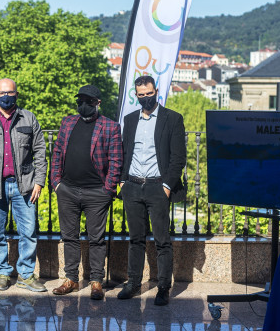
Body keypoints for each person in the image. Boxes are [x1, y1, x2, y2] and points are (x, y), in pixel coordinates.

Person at [0, 78, 47, 292]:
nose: (6, 96)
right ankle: (3, 273)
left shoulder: (29, 118)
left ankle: (25, 274)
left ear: (16, 94)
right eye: (1, 93)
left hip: (24, 185)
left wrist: (39, 182)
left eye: (10, 92)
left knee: (29, 232)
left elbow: (40, 151)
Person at [117, 75, 186, 306]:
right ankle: (133, 283)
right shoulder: (130, 120)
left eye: (149, 93)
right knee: (135, 239)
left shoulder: (173, 119)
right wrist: (123, 181)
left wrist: (167, 185)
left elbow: (178, 157)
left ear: (156, 91)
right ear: (136, 95)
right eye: (141, 95)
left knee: (161, 240)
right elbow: (125, 152)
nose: (146, 98)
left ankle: (163, 287)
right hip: (133, 186)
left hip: (158, 186)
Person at [50, 84, 122, 300]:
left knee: (96, 239)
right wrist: (56, 182)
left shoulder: (110, 127)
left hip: (97, 193)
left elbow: (117, 161)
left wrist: (108, 189)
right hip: (68, 190)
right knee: (69, 236)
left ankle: (96, 281)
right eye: (79, 101)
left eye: (88, 102)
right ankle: (71, 279)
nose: (83, 105)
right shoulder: (68, 122)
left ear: (97, 103)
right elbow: (58, 152)